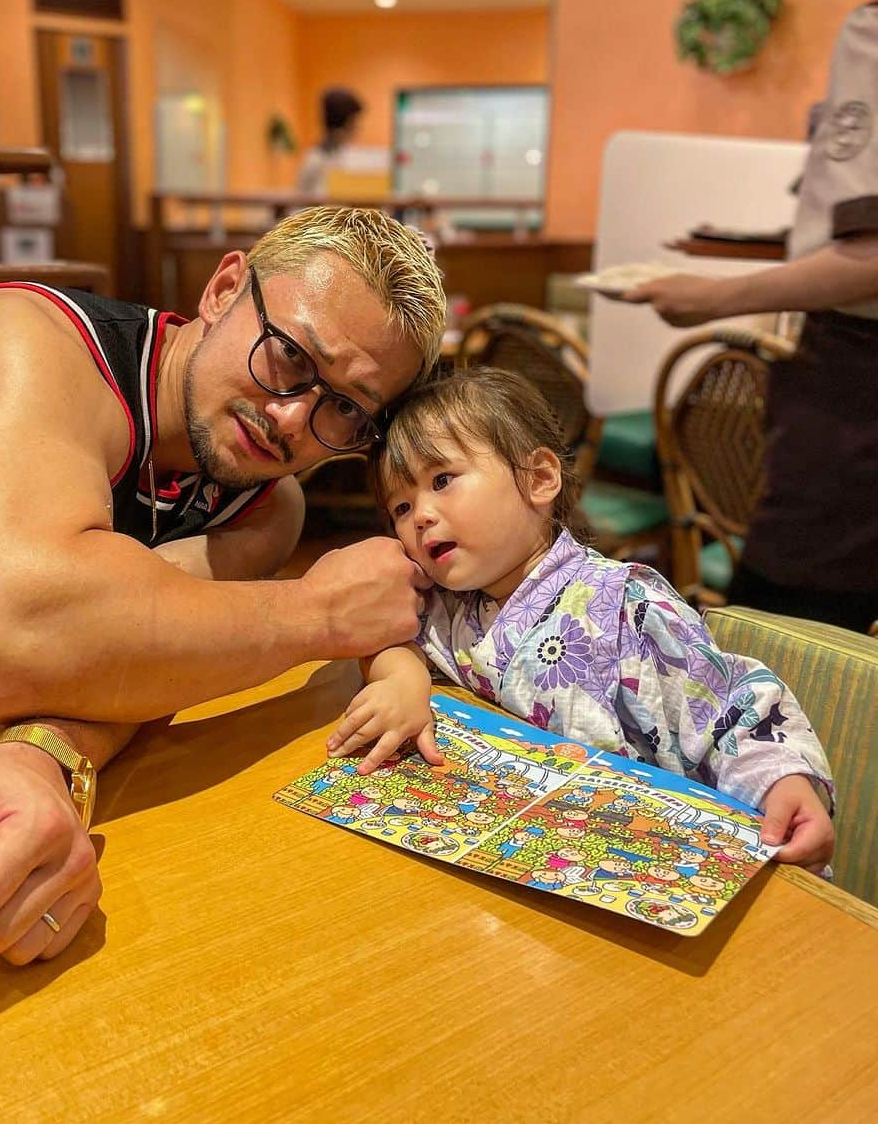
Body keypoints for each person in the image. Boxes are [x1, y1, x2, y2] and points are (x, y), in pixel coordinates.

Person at [0, 205, 446, 963]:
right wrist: (321, 613)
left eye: (343, 408)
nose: (290, 418)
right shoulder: (21, 342)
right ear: (224, 288)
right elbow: (0, 642)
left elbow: (128, 650)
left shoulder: (267, 502)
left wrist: (40, 758)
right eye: (290, 358)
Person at [326, 367, 834, 873]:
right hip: (514, 853)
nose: (421, 515)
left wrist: (783, 782)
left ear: (540, 479)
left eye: (442, 480)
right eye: (400, 505)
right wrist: (402, 677)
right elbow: (387, 635)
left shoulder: (624, 604)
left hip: (639, 858)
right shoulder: (446, 603)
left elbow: (730, 708)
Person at [619, 0, 878, 633]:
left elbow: (868, 254)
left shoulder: (872, 32)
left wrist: (712, 297)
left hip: (853, 389)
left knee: (785, 641)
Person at [295, 87, 364, 195]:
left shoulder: (341, 153)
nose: (358, 126)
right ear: (346, 123)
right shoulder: (317, 159)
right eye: (354, 121)